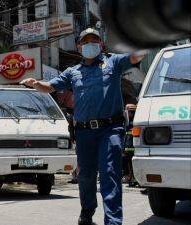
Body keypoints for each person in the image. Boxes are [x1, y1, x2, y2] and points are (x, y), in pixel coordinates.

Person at [21, 28, 145, 225]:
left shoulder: (113, 62)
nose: (90, 44)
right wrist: (35, 83)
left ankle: (113, 221)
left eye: (94, 40)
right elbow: (50, 87)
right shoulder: (72, 72)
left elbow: (136, 55)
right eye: (85, 42)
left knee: (109, 174)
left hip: (110, 129)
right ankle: (87, 212)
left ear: (101, 44)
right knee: (86, 176)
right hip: (84, 132)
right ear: (79, 47)